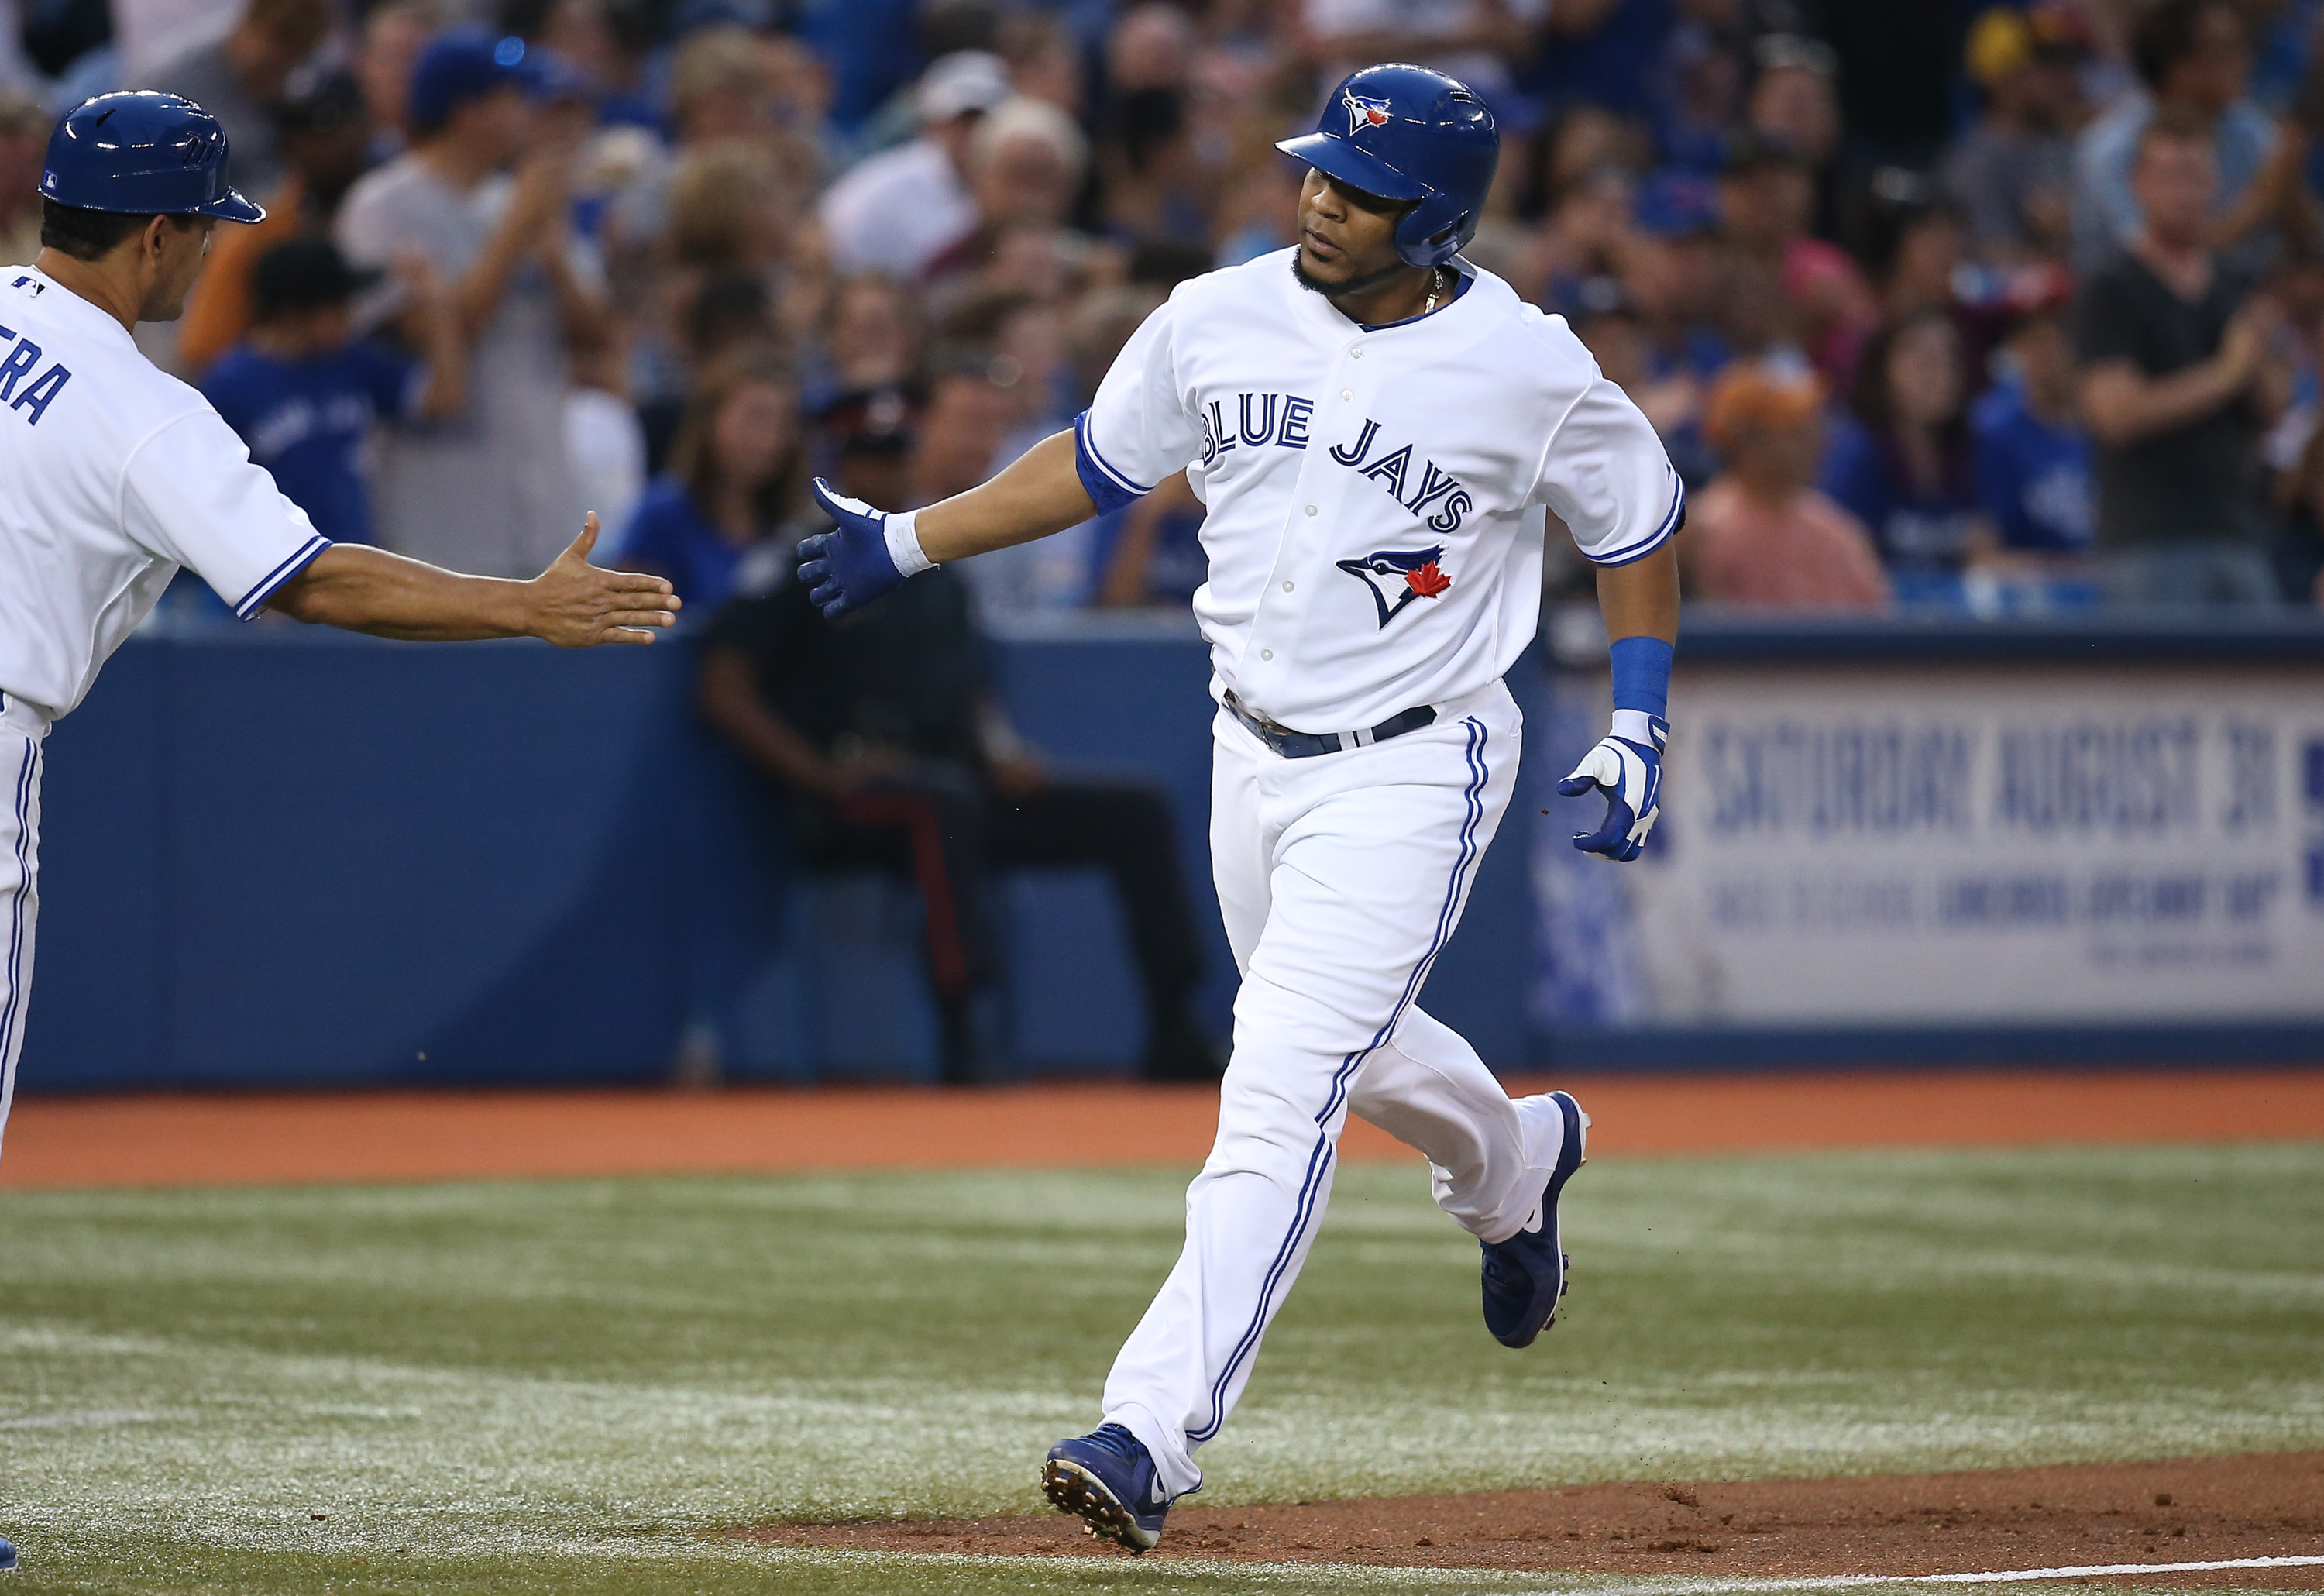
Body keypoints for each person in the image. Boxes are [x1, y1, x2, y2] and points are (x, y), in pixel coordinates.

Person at [792, 64, 1679, 1552]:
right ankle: (1515, 1162)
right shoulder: (1215, 312)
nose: (1323, 198)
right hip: (1248, 753)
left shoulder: (1525, 364)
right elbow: (1094, 462)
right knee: (1357, 1047)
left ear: (1442, 219)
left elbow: (1638, 512)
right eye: (1319, 172)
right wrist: (912, 539)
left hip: (1417, 762)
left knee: (1276, 1079)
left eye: (1362, 188)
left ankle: (1149, 1430)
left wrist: (1641, 718)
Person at [0, 98, 679, 1577]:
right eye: (204, 229)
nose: (207, 258)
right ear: (166, 232)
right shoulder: (136, 405)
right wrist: (522, 604)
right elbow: (304, 580)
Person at [696, 424, 1220, 1089]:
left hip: (958, 781)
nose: (887, 475)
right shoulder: (802, 559)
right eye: (869, 458)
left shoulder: (932, 566)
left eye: (898, 455)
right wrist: (816, 771)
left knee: (1133, 811)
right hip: (851, 792)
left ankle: (1175, 1023)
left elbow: (968, 690)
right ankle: (962, 1030)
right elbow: (722, 688)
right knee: (940, 803)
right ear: (841, 463)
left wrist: (1000, 751)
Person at [335, 28, 614, 580]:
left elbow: (599, 338)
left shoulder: (518, 201)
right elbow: (436, 336)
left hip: (542, 502)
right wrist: (516, 229)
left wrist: (552, 253)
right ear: (468, 112)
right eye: (515, 100)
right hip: (443, 512)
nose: (531, 117)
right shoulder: (382, 207)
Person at [2074, 119, 2288, 604]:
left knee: (2256, 678)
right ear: (2138, 185)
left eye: (2195, 177)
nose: (2184, 193)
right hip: (2150, 539)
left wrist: (2262, 367)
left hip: (2239, 529)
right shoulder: (2112, 289)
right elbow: (2116, 414)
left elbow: (2270, 412)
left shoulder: (2233, 287)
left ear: (2214, 185)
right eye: (2170, 176)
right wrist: (2228, 373)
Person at [201, 239, 466, 546]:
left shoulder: (350, 360)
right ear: (292, 315)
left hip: (356, 555)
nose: (351, 314)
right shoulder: (231, 383)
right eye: (338, 305)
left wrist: (439, 307)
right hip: (275, 569)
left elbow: (443, 400)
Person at [1686, 362, 1889, 610]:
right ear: (1748, 442)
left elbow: (1878, 619)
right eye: (1795, 432)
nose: (1816, 443)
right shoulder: (1704, 533)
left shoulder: (1835, 529)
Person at [1821, 310, 1993, 599]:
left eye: (1950, 359)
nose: (1939, 372)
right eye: (1922, 358)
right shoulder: (1855, 455)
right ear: (1884, 367)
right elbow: (1838, 568)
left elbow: (1986, 555)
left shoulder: (1973, 450)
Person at [621, 349, 803, 610]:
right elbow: (635, 626)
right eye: (755, 417)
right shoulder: (662, 517)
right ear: (710, 420)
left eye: (784, 422)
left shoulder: (798, 527)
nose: (771, 438)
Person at [816, 50, 1009, 280]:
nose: (974, 133)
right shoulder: (877, 190)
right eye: (962, 121)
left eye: (985, 120)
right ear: (934, 123)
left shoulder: (1024, 182)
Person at [131, 0, 334, 198]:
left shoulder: (304, 81)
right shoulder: (165, 87)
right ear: (251, 27)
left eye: (287, 68)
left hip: (274, 202)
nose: (277, 80)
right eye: (272, 67)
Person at [1944, 4, 2090, 265]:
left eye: (2065, 67)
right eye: (2047, 70)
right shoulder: (1978, 163)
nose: (2065, 80)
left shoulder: (2069, 140)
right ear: (2002, 79)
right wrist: (2058, 236)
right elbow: (1995, 263)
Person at [1971, 298, 2096, 566]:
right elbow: (1984, 557)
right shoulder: (1993, 435)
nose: (2044, 354)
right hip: (2033, 599)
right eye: (2030, 342)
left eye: (2056, 340)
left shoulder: (2110, 429)